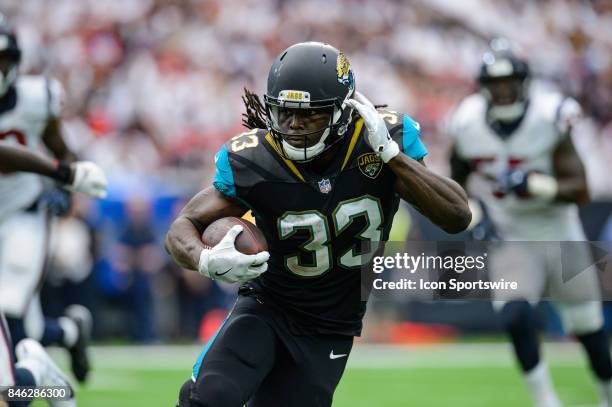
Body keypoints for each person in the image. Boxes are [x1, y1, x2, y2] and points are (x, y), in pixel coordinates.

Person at [166, 41, 471, 407]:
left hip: (332, 324)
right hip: (269, 304)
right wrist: (204, 259)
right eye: (284, 113)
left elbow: (457, 217)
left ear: (343, 111)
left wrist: (390, 156)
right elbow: (183, 225)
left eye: (309, 114)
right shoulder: (257, 158)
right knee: (210, 398)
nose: (294, 125)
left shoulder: (379, 141)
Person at [447, 39, 612, 407]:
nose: (503, 92)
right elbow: (455, 181)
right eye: (495, 84)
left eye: (510, 83)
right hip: (511, 236)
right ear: (483, 87)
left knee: (589, 331)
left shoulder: (550, 114)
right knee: (516, 314)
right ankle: (545, 401)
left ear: (525, 82)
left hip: (561, 233)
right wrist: (475, 215)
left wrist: (533, 183)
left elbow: (580, 190)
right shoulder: (466, 121)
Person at [0, 15, 97, 384]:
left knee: (9, 307)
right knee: (27, 326)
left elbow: (62, 151)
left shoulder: (36, 99)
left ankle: (20, 390)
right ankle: (68, 334)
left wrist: (63, 186)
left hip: (22, 213)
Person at [0, 143, 106, 406]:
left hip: (23, 221)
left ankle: (37, 371)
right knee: (27, 328)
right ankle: (56, 346)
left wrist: (64, 174)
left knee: (7, 394)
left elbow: (52, 137)